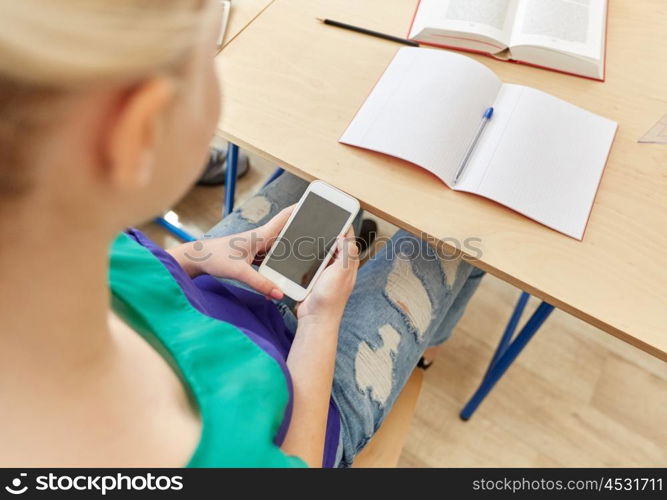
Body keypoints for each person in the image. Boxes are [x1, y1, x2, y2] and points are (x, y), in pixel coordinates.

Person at [0, 0, 484, 467]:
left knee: (332, 172)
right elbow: (299, 462)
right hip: (313, 408)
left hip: (219, 291)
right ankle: (426, 350)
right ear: (139, 131)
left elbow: (131, 266)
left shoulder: (39, 228)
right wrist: (319, 323)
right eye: (210, 54)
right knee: (454, 235)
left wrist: (203, 254)